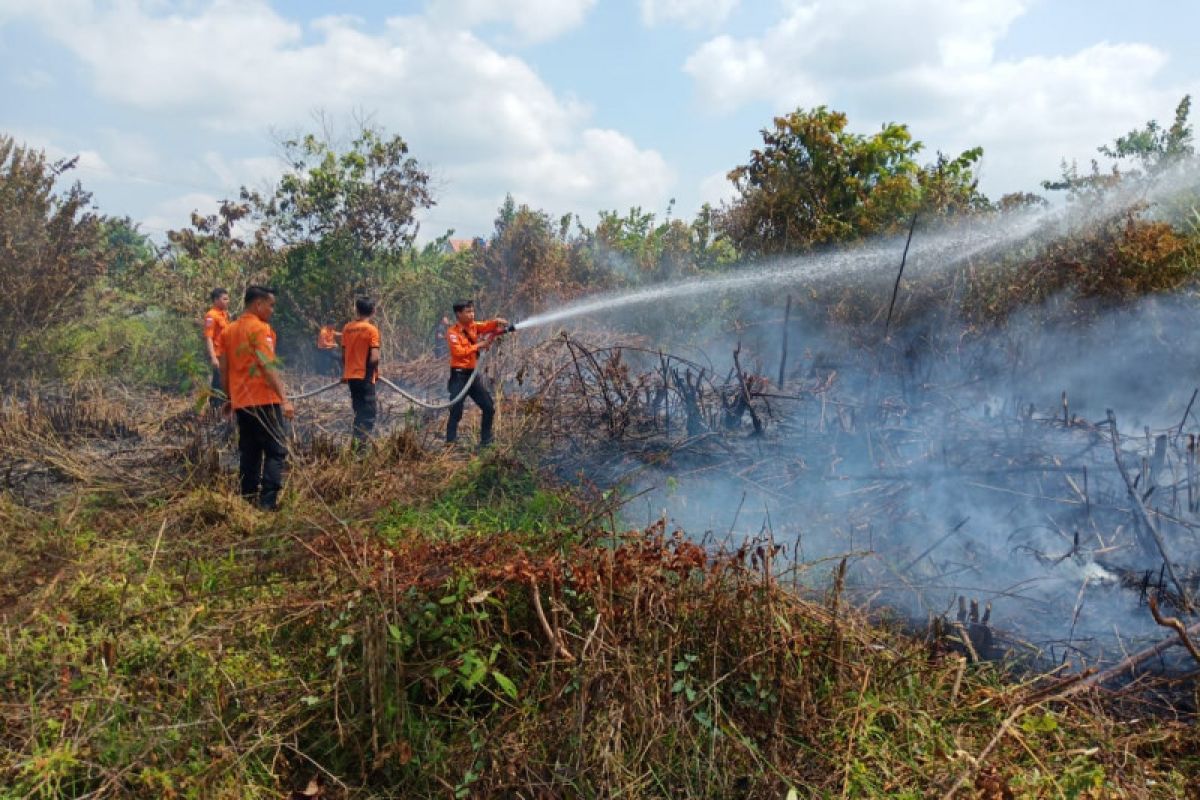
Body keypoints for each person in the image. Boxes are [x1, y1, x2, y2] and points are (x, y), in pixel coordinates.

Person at [219, 286, 294, 511]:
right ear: (258, 304)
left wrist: (229, 397)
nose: (272, 310)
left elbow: (224, 369)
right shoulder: (261, 329)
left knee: (250, 452)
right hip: (264, 400)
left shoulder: (228, 331)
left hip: (242, 403)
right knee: (276, 450)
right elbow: (268, 366)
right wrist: (284, 399)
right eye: (270, 305)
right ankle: (268, 503)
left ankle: (248, 501)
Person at [445, 300, 508, 448]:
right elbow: (458, 352)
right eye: (468, 312)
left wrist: (497, 322)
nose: (472, 314)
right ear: (458, 314)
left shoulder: (474, 326)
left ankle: (486, 441)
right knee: (456, 411)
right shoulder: (452, 332)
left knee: (488, 407)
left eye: (472, 311)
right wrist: (479, 345)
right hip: (458, 377)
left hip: (472, 376)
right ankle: (450, 442)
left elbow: (486, 326)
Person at [341, 297, 381, 447]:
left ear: (356, 310)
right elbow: (374, 358)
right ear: (373, 311)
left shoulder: (347, 328)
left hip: (351, 378)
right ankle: (361, 451)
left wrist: (347, 372)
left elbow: (344, 356)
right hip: (364, 377)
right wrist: (373, 373)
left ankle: (356, 446)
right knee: (369, 414)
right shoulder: (372, 330)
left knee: (358, 413)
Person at [202, 288, 231, 409]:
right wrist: (213, 357)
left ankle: (223, 410)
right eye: (225, 299)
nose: (228, 301)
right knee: (218, 384)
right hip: (218, 356)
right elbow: (208, 338)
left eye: (227, 298)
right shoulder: (211, 316)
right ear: (216, 300)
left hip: (227, 355)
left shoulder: (224, 314)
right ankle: (215, 409)